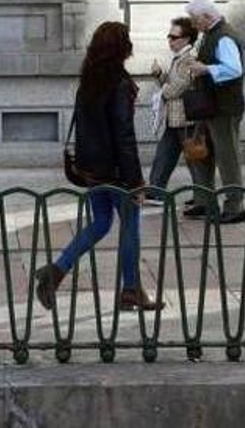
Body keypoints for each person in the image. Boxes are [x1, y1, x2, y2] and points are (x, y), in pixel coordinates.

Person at [33, 22, 163, 312]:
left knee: (101, 223)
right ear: (122, 47)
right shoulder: (119, 83)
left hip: (92, 169)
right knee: (131, 226)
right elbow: (124, 135)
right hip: (116, 171)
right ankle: (130, 290)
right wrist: (136, 181)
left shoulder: (89, 80)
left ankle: (56, 270)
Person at [182, 0, 245, 224]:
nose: (193, 24)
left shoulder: (224, 36)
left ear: (207, 16)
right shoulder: (209, 35)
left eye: (194, 19)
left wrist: (205, 68)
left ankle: (234, 206)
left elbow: (233, 69)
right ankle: (204, 200)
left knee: (227, 157)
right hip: (209, 105)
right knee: (199, 153)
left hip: (224, 107)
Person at [144, 16, 201, 206]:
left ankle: (202, 196)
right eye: (169, 36)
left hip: (186, 118)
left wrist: (162, 93)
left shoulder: (189, 58)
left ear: (186, 38)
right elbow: (171, 85)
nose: (170, 40)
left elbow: (180, 85)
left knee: (194, 159)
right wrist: (160, 75)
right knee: (165, 154)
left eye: (173, 37)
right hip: (175, 117)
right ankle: (155, 191)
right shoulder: (178, 58)